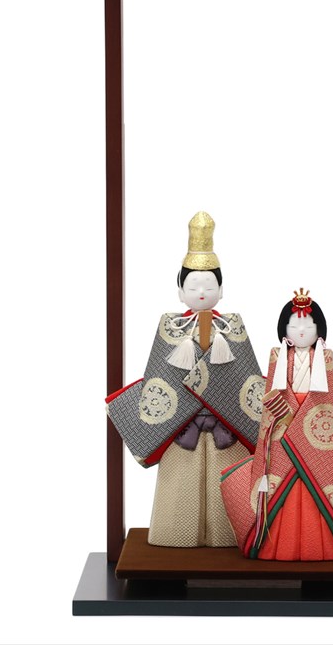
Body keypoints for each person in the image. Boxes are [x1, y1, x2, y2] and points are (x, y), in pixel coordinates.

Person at [105, 212, 267, 547]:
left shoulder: (232, 326)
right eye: (193, 286)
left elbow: (247, 381)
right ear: (180, 291)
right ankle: (176, 537)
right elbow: (158, 381)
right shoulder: (171, 327)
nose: (202, 292)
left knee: (226, 480)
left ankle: (227, 538)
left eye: (209, 286)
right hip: (181, 425)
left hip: (226, 422)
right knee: (181, 486)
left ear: (222, 289)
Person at [219, 289, 333, 560]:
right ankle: (272, 545)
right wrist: (287, 418)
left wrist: (301, 421)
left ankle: (323, 547)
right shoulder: (277, 357)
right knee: (279, 482)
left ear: (319, 329)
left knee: (316, 482)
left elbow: (328, 401)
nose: (302, 330)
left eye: (308, 325)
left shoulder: (325, 359)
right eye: (294, 325)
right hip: (281, 429)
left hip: (314, 425)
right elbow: (271, 397)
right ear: (284, 330)